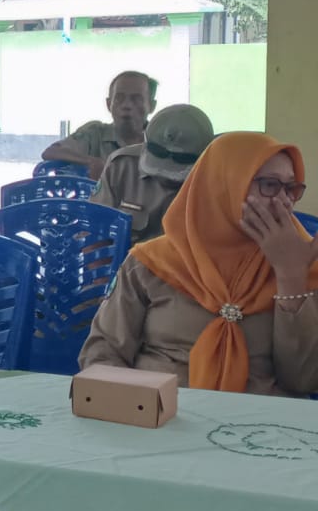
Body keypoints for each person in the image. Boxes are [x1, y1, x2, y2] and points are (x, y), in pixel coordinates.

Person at [81, 132, 318, 396]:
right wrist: (138, 407)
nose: (284, 200)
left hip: (261, 417)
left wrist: (290, 276)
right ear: (223, 185)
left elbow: (303, 382)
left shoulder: (305, 263)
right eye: (270, 185)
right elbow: (102, 354)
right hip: (160, 410)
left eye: (291, 188)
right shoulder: (151, 263)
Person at [91, 104, 213, 244]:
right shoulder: (121, 166)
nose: (165, 176)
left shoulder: (217, 180)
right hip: (127, 257)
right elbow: (95, 232)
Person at [42, 71, 157, 180]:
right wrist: (90, 161)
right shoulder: (95, 133)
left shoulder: (160, 142)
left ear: (151, 105)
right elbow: (51, 152)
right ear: (108, 104)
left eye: (136, 99)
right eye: (119, 99)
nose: (126, 105)